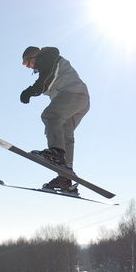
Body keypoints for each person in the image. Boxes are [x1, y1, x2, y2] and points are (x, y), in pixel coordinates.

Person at [20, 46, 90, 193]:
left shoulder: (47, 58)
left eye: (28, 63)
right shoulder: (46, 64)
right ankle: (65, 176)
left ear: (34, 57)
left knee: (50, 116)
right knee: (65, 134)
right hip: (80, 99)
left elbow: (46, 79)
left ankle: (56, 153)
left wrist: (30, 91)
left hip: (74, 95)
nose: (30, 67)